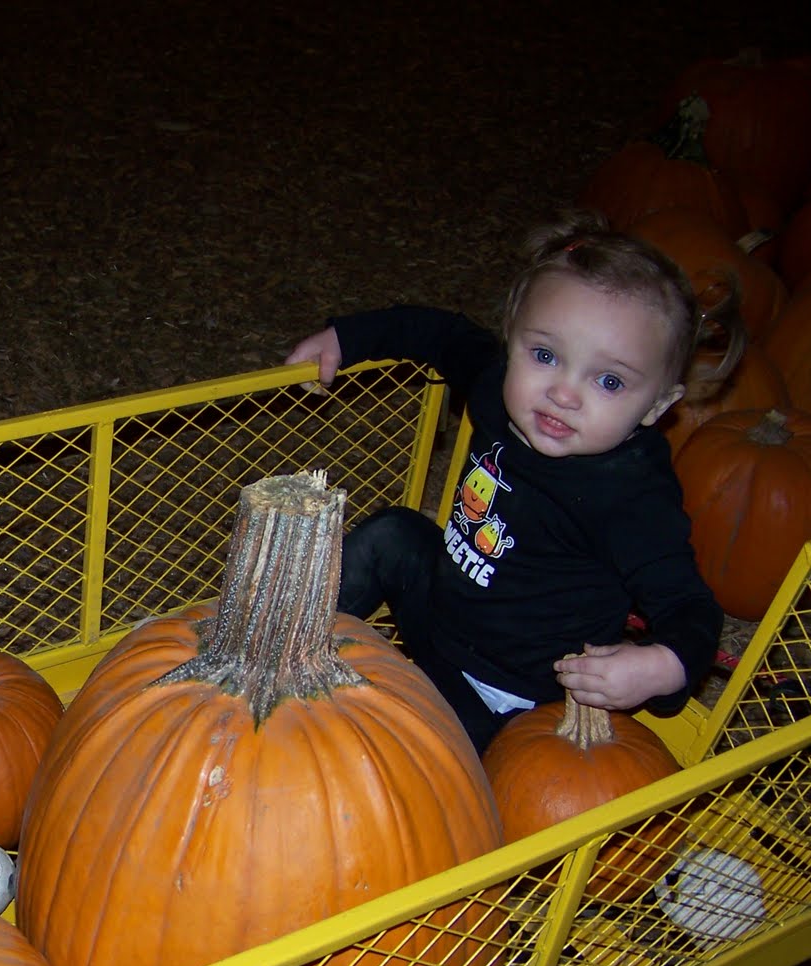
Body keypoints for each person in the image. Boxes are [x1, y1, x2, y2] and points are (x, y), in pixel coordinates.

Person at [284, 215, 741, 754]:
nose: (563, 393)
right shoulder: (498, 385)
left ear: (658, 406)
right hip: (440, 613)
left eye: (609, 381)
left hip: (508, 697)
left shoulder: (633, 495)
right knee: (394, 534)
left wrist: (661, 666)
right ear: (512, 339)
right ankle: (279, 643)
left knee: (405, 748)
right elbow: (442, 335)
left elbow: (690, 607)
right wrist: (347, 337)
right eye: (545, 356)